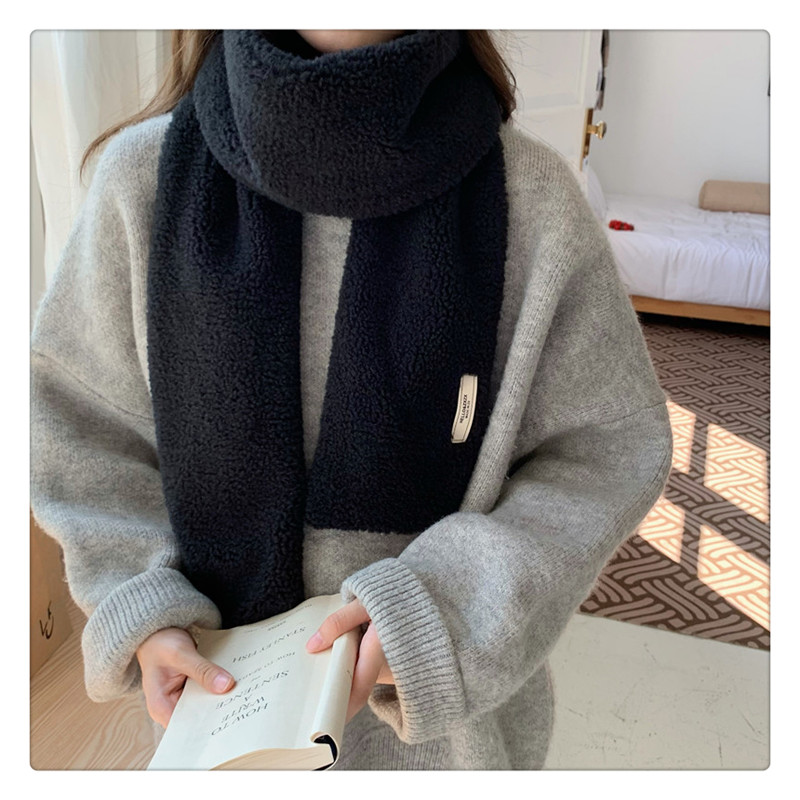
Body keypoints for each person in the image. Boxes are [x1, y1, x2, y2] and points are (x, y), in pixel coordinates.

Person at [30, 29, 673, 770]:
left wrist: (443, 609)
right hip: (217, 742)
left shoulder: (534, 202)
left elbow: (605, 450)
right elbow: (74, 423)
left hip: (449, 756)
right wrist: (142, 601)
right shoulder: (140, 183)